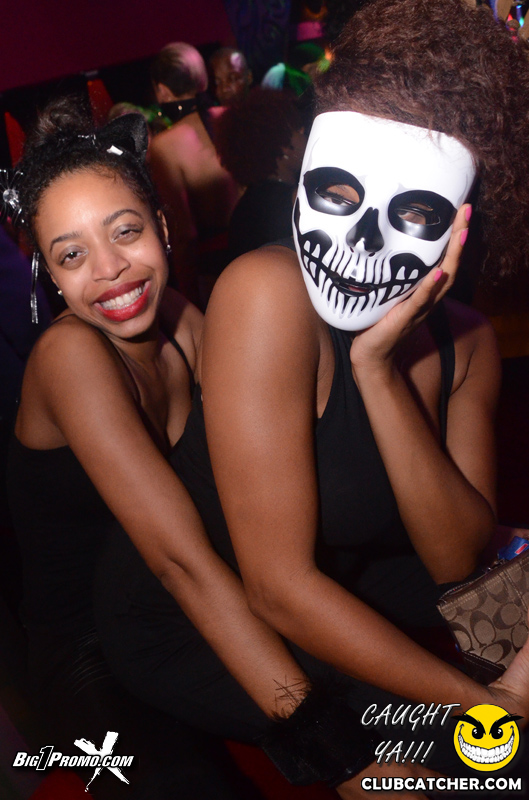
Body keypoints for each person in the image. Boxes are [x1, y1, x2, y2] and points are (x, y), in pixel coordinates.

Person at [96, 0, 529, 796]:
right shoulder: (264, 295)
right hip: (207, 618)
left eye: (415, 212)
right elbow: (276, 589)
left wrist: (377, 369)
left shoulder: (466, 342)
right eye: (336, 192)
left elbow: (452, 560)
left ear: (461, 224)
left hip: (344, 577)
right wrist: (489, 708)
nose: (362, 241)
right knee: (491, 762)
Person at [6, 104, 378, 799]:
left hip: (185, 607)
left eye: (126, 231)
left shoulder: (183, 322)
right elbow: (178, 560)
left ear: (163, 226)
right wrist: (334, 752)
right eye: (72, 254)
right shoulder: (70, 357)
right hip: (90, 649)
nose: (110, 270)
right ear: (50, 275)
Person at [149, 42, 241, 301]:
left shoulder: (165, 146)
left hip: (219, 273)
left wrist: (189, 300)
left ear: (162, 91)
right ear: (203, 80)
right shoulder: (232, 116)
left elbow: (184, 236)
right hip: (264, 245)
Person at [214, 88, 306, 260]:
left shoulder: (247, 206)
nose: (305, 135)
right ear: (284, 147)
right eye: (298, 131)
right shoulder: (293, 202)